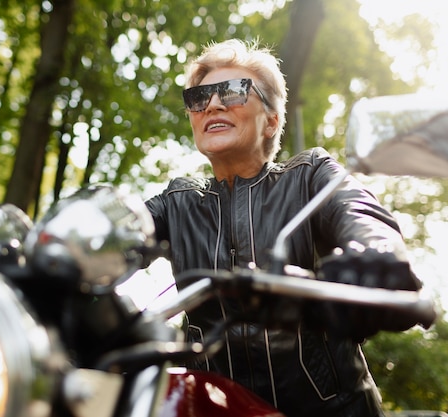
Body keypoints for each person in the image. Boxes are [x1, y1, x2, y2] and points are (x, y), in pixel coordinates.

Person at [144, 39, 422, 417]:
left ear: (272, 119)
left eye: (233, 91)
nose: (213, 104)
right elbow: (117, 232)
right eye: (199, 97)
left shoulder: (310, 177)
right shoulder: (177, 202)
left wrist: (373, 254)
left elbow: (362, 215)